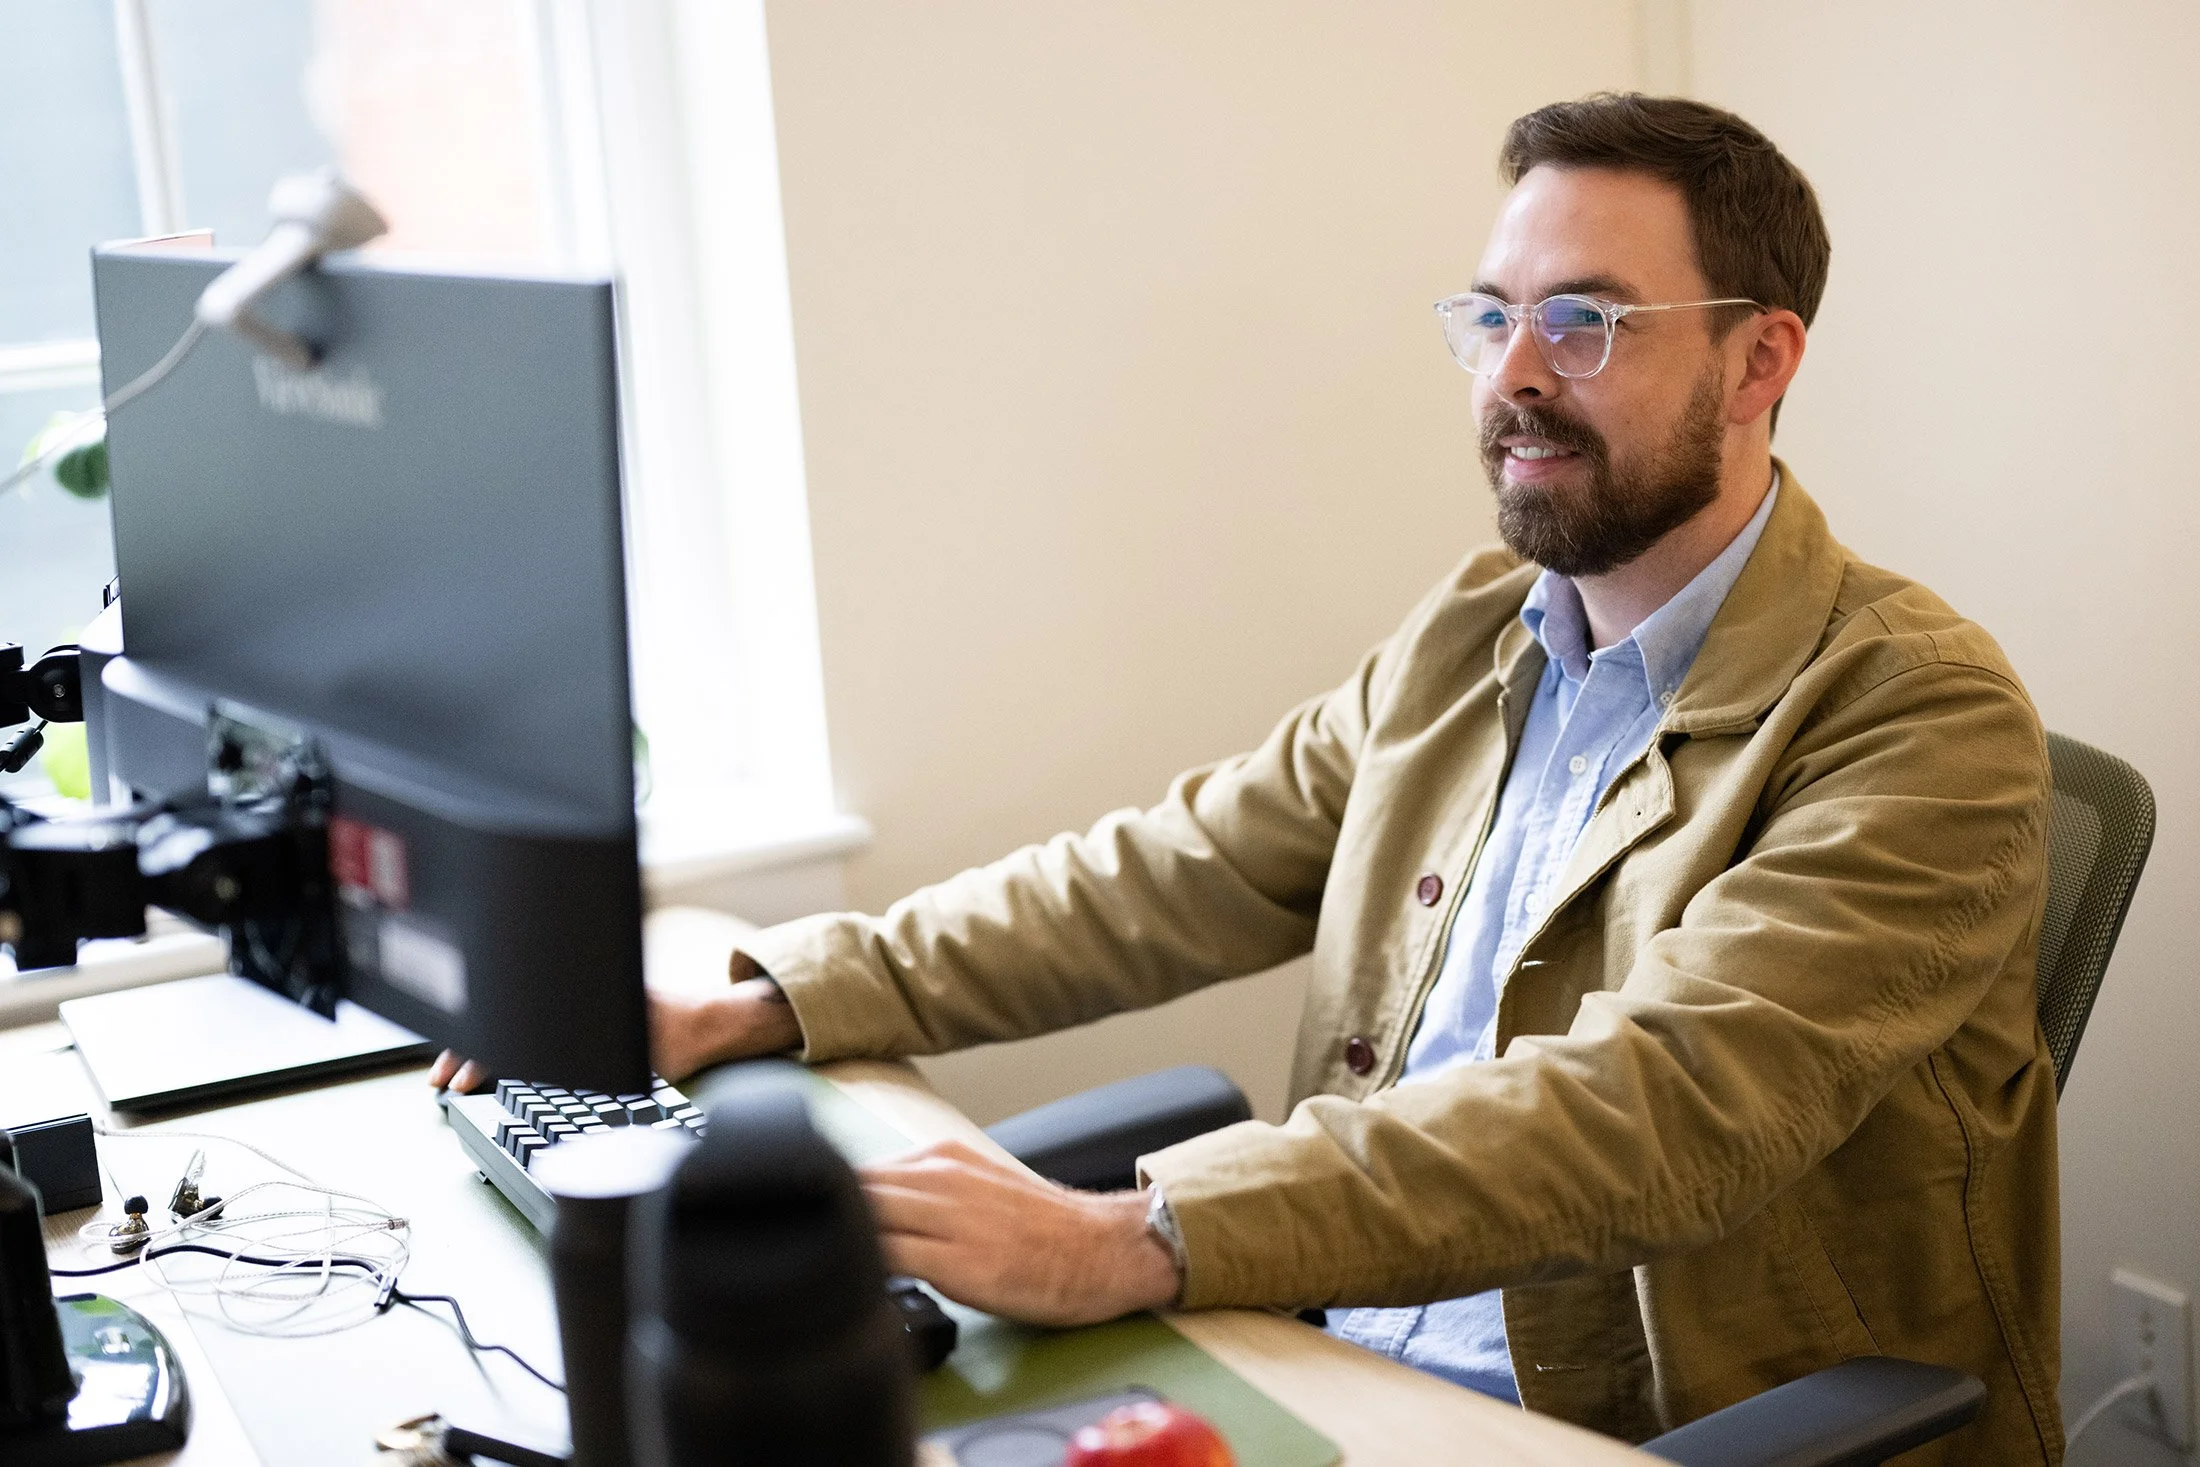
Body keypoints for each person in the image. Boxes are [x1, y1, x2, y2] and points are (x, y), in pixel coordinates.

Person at [434, 93, 2060, 1460]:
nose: (1516, 374)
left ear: (1763, 357)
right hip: (1329, 1338)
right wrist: (768, 992)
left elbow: (1658, 1107)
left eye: (1586, 320)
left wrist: (1137, 1230)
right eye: (1491, 317)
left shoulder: (1921, 718)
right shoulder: (1479, 629)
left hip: (1612, 1419)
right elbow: (1174, 866)